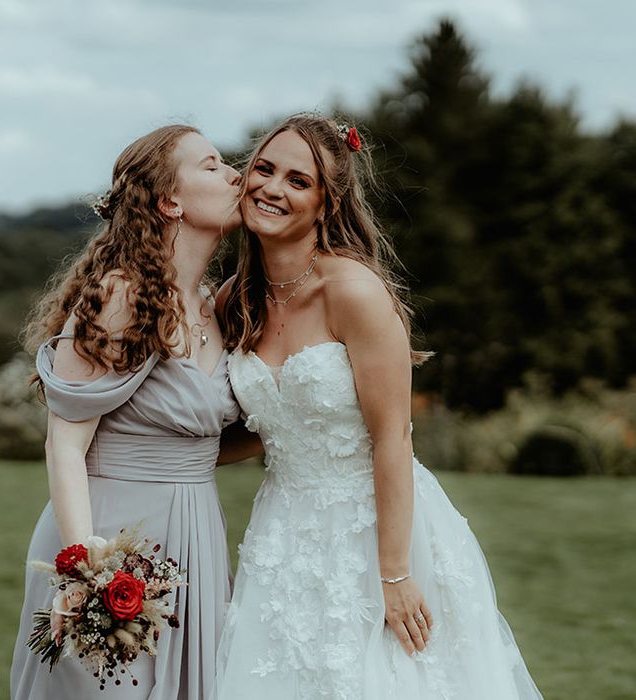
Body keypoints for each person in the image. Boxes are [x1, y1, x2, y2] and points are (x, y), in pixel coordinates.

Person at [213, 113, 543, 699]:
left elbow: (394, 438)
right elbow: (274, 430)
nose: (271, 187)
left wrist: (394, 574)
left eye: (298, 180)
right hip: (281, 534)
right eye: (263, 169)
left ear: (326, 204)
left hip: (377, 528)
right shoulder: (234, 300)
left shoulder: (354, 293)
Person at [11, 124, 243, 700]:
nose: (236, 174)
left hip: (195, 541)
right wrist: (86, 562)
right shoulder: (122, 296)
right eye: (212, 166)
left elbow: (212, 442)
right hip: (113, 540)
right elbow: (64, 444)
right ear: (171, 201)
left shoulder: (216, 307)